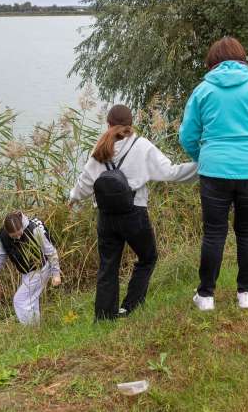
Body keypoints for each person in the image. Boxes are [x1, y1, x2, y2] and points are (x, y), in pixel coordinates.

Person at [179, 36, 248, 311]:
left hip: (214, 171)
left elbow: (187, 135)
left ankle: (205, 297)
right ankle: (246, 295)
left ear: (212, 63)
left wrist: (203, 158)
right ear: (243, 59)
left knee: (214, 233)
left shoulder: (202, 91)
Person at [70, 104, 197, 321]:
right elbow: (170, 172)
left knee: (108, 266)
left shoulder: (99, 148)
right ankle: (131, 308)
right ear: (130, 124)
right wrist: (200, 167)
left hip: (106, 217)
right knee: (148, 258)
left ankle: (104, 317)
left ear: (108, 124)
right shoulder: (143, 146)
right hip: (134, 214)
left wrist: (72, 198)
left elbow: (85, 183)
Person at [0, 211, 62, 325]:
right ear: (7, 231)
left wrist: (56, 274)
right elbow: (1, 255)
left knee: (19, 301)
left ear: (21, 225)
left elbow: (51, 252)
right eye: (14, 236)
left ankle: (30, 332)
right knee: (30, 301)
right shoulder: (2, 235)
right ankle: (37, 329)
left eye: (20, 233)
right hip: (26, 272)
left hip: (40, 269)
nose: (18, 237)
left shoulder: (34, 229)